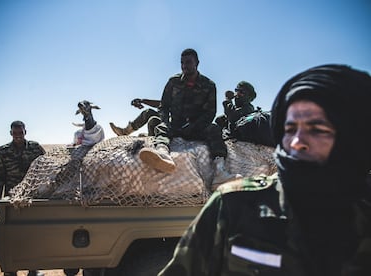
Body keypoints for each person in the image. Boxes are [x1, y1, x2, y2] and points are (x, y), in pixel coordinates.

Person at [158, 64, 371, 276]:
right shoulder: (234, 204)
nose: (297, 142)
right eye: (289, 129)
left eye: (318, 129)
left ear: (354, 138)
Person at [139, 48, 236, 185]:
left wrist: (194, 126)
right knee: (161, 126)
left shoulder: (209, 85)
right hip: (176, 125)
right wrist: (166, 121)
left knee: (214, 128)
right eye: (182, 63)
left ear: (197, 63)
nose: (184, 66)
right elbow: (164, 106)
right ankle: (163, 154)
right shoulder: (173, 82)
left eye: (188, 62)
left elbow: (210, 113)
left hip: (197, 128)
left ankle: (219, 171)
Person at [0, 120, 45, 276]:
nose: (18, 136)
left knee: (33, 234)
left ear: (25, 132)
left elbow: (47, 167)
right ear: (11, 133)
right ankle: (11, 269)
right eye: (15, 133)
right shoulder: (3, 151)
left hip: (32, 199)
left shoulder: (35, 148)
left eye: (20, 133)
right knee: (11, 235)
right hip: (11, 199)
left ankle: (33, 268)